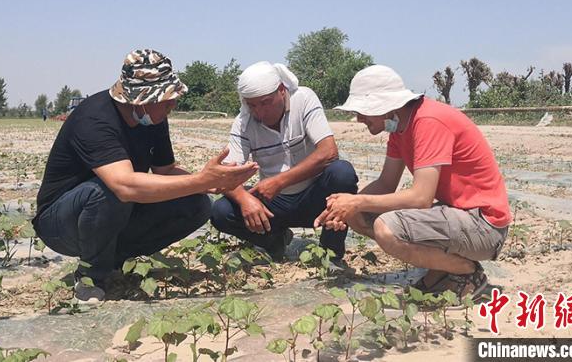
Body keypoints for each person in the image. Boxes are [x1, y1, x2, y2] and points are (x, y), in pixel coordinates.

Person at [33, 49, 258, 302]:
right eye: (166, 98)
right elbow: (124, 186)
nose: (173, 104)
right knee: (107, 190)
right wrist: (201, 180)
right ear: (139, 100)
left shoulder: (153, 118)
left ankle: (113, 260)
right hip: (61, 223)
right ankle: (90, 277)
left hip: (116, 211)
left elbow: (166, 171)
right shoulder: (94, 118)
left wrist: (217, 184)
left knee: (196, 204)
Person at [315, 65, 511, 299]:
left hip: (484, 225)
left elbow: (421, 198)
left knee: (386, 229)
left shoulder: (428, 121)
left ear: (384, 105)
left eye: (363, 111)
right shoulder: (399, 129)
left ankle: (466, 272)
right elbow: (387, 183)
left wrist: (356, 202)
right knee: (358, 216)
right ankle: (442, 267)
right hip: (460, 216)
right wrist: (346, 208)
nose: (358, 118)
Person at [210, 61, 358, 264]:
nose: (259, 112)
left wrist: (279, 182)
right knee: (221, 212)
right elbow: (225, 174)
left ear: (281, 90)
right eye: (252, 105)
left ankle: (331, 253)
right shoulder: (244, 122)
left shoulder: (303, 99)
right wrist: (245, 200)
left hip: (314, 197)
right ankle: (274, 242)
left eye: (265, 103)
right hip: (274, 203)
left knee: (342, 173)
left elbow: (328, 152)